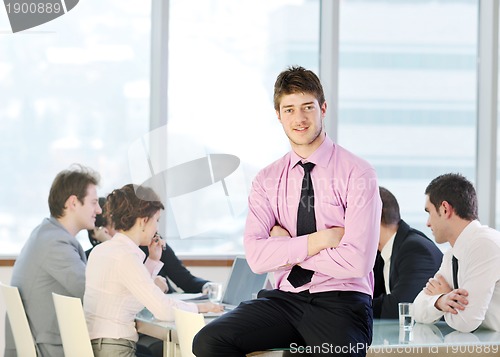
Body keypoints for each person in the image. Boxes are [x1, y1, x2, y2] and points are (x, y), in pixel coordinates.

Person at [193, 66, 382, 357]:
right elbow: (256, 258)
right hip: (284, 299)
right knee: (209, 341)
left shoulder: (358, 174)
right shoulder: (267, 179)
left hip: (342, 303)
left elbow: (357, 262)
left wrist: (284, 249)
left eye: (307, 107)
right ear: (278, 115)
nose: (300, 118)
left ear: (323, 108)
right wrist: (320, 240)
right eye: (289, 109)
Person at [83, 184, 222, 356]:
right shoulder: (126, 256)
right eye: (156, 220)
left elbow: (131, 292)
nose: (157, 228)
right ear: (143, 221)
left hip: (98, 346)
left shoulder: (102, 251)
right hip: (116, 349)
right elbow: (164, 311)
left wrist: (153, 260)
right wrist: (202, 308)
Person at [5, 164, 101, 357]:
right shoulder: (56, 244)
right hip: (50, 349)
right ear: (73, 202)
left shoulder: (46, 234)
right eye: (94, 202)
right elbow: (92, 294)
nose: (99, 210)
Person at [413, 173, 500, 332]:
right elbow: (417, 309)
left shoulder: (484, 244)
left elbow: (465, 323)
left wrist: (447, 293)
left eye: (429, 212)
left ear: (445, 209)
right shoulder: (453, 254)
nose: (427, 223)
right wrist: (441, 301)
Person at [373, 186, 442, 318]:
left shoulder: (415, 250)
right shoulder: (381, 253)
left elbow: (400, 308)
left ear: (372, 218)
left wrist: (345, 308)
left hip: (434, 337)